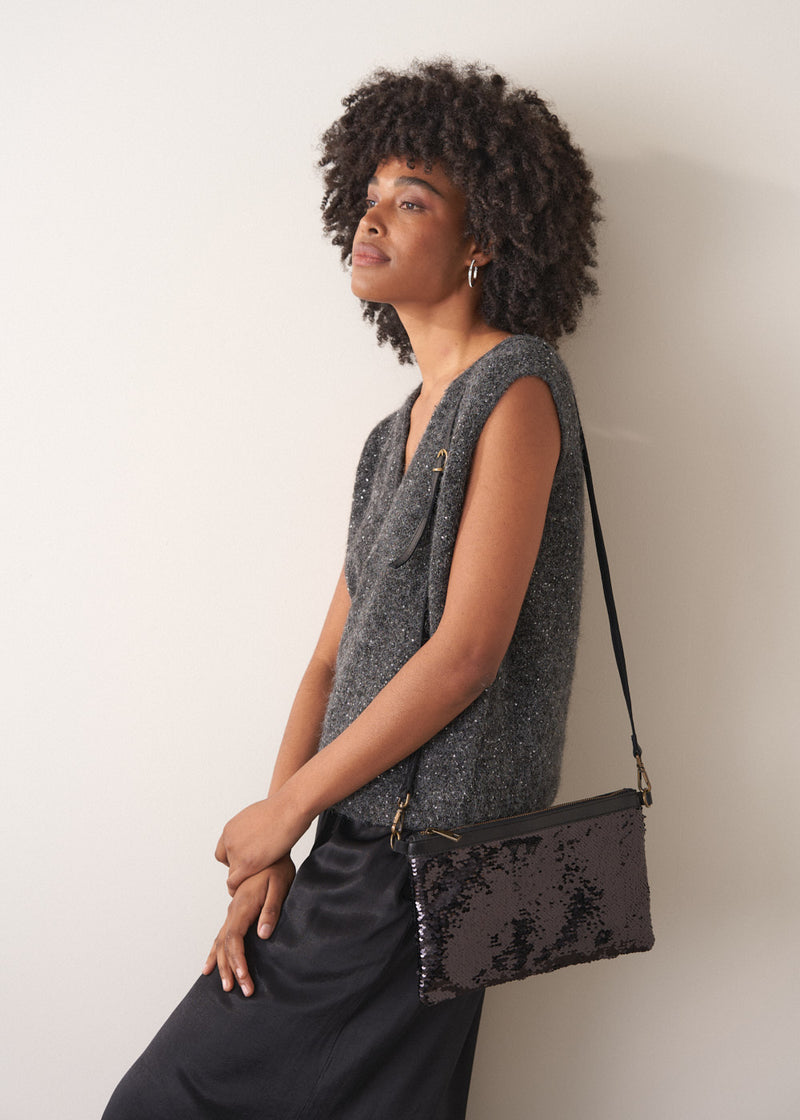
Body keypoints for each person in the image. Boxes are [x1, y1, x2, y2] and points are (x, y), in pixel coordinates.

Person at [102, 59, 601, 1120]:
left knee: (161, 1103)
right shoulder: (389, 440)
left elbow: (467, 651)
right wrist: (275, 844)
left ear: (482, 238)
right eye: (367, 198)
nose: (371, 219)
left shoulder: (515, 386)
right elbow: (327, 658)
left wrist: (288, 804)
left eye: (409, 200)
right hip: (356, 845)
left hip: (427, 866)